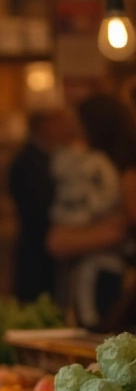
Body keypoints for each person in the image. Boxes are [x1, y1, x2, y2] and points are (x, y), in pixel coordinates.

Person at [47, 93, 136, 329]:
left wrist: (75, 237)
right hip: (99, 282)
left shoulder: (116, 171)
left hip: (109, 284)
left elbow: (123, 225)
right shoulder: (100, 167)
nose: (70, 132)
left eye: (76, 125)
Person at [10, 108, 74, 303]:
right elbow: (38, 208)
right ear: (40, 127)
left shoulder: (52, 157)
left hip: (47, 248)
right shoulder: (28, 161)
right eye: (56, 122)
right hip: (36, 248)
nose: (62, 128)